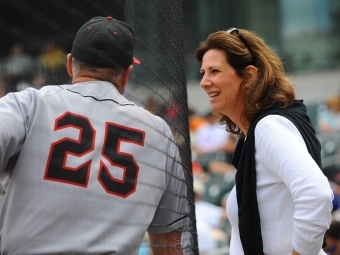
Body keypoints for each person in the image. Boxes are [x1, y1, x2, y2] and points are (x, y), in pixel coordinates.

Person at [0, 16, 189, 255]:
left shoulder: (29, 103)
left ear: (70, 64)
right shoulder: (159, 131)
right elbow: (169, 240)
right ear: (126, 74)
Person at [196, 28, 334, 255]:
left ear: (249, 76)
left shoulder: (269, 127)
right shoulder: (258, 131)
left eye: (214, 71)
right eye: (203, 72)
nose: (204, 82)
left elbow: (316, 194)